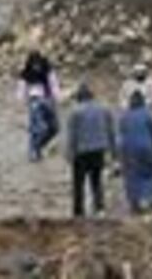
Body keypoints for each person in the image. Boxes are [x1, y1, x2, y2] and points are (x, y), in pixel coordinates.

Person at [66, 82, 116, 218]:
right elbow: (111, 130)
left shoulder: (75, 112)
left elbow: (72, 135)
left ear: (79, 97)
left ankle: (78, 211)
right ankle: (99, 208)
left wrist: (69, 154)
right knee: (97, 181)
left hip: (81, 152)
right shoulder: (104, 109)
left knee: (78, 184)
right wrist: (113, 151)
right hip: (98, 150)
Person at [118, 90, 152, 214]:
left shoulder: (125, 116)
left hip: (128, 149)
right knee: (150, 173)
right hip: (145, 147)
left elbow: (121, 132)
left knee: (131, 175)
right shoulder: (147, 114)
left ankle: (135, 203)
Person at [18, 50, 60, 161]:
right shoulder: (26, 73)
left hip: (48, 99)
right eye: (34, 64)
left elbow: (54, 84)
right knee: (37, 128)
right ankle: (33, 151)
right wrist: (24, 101)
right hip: (35, 101)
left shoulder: (48, 70)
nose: (36, 66)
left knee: (54, 128)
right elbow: (21, 89)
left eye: (37, 63)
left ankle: (38, 147)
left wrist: (56, 98)